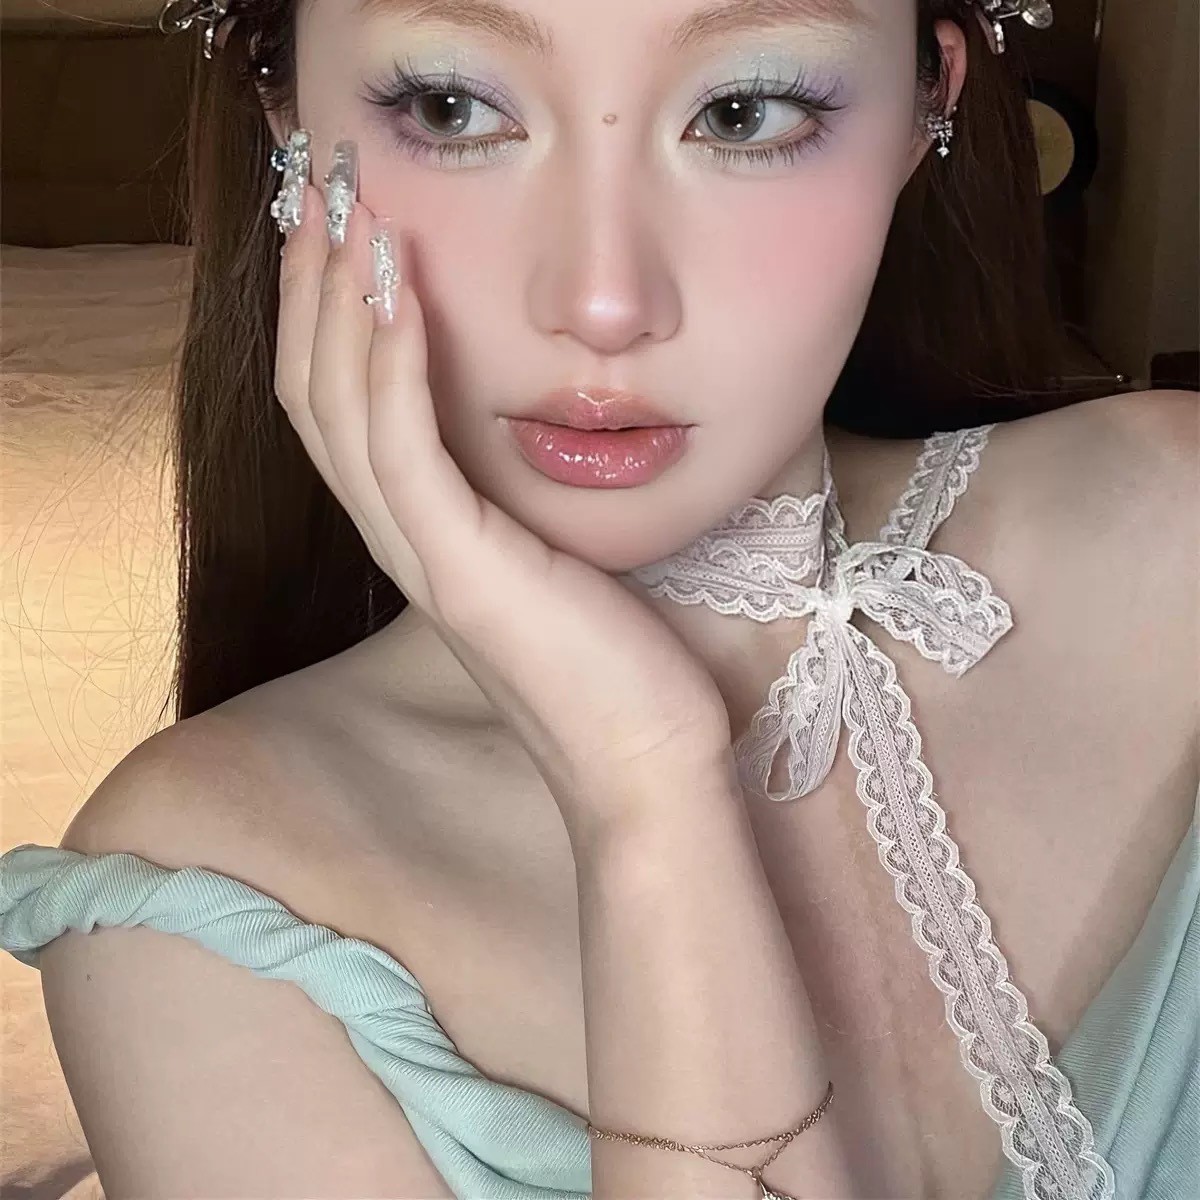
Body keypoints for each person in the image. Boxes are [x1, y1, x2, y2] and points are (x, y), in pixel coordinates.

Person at [0, 0, 1196, 1195]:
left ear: (927, 101)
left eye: (745, 112)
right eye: (451, 109)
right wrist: (645, 795)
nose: (605, 303)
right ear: (286, 111)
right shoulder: (213, 900)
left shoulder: (1176, 528)